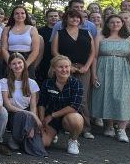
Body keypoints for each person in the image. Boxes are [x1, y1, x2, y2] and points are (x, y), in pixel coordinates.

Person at [50, 9, 96, 138]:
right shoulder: (60, 33)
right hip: (64, 69)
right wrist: (68, 66)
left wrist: (87, 66)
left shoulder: (86, 33)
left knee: (82, 98)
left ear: (81, 19)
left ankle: (86, 128)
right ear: (66, 19)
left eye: (77, 17)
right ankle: (66, 125)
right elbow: (55, 52)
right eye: (72, 17)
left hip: (83, 69)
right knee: (64, 96)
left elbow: (93, 52)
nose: (75, 19)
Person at [90, 15, 130, 142]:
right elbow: (94, 57)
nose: (115, 24)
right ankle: (109, 126)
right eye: (112, 22)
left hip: (123, 70)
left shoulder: (129, 39)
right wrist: (94, 74)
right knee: (106, 96)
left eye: (118, 22)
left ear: (122, 23)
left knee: (123, 98)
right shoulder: (100, 37)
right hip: (104, 69)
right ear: (107, 24)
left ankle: (121, 129)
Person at [38, 56, 85, 155]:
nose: (64, 70)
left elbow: (74, 106)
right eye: (61, 67)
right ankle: (53, 134)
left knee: (76, 120)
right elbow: (41, 103)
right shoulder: (47, 83)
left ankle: (73, 140)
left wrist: (51, 116)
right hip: (51, 119)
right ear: (54, 69)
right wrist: (42, 122)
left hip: (68, 117)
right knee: (43, 143)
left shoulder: (76, 83)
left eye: (67, 67)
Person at [0, 53, 44, 155]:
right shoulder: (3, 82)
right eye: (14, 64)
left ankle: (23, 138)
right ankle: (15, 138)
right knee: (23, 114)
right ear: (10, 66)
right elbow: (8, 106)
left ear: (24, 64)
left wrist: (33, 123)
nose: (17, 66)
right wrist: (31, 115)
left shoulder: (32, 83)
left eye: (19, 63)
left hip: (27, 115)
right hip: (12, 115)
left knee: (38, 148)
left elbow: (33, 107)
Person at [0, 5, 41, 71]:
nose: (20, 15)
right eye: (17, 13)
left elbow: (35, 50)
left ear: (26, 15)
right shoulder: (7, 29)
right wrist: (10, 63)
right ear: (13, 16)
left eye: (22, 13)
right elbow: (4, 49)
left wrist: (26, 65)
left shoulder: (32, 29)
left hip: (27, 60)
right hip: (10, 58)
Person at [34, 8, 60, 82]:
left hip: (58, 60)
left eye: (55, 16)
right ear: (46, 18)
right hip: (44, 62)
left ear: (59, 17)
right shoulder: (40, 31)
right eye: (51, 16)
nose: (53, 18)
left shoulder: (63, 31)